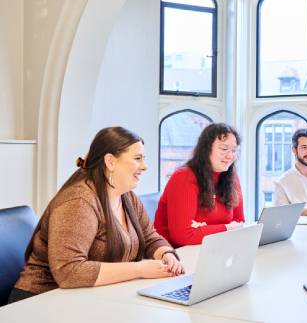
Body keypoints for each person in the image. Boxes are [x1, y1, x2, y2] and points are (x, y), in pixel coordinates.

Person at [9, 127, 184, 303]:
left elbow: (149, 237)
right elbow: (69, 272)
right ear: (110, 161)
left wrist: (166, 255)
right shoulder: (79, 201)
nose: (145, 166)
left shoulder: (126, 196)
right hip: (40, 301)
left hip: (86, 298)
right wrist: (139, 270)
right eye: (137, 159)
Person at [154, 123, 244, 247]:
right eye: (224, 149)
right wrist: (227, 228)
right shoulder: (184, 177)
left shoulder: (230, 176)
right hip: (175, 255)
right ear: (206, 149)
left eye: (234, 150)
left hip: (214, 248)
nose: (230, 156)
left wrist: (203, 230)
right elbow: (184, 236)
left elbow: (239, 223)